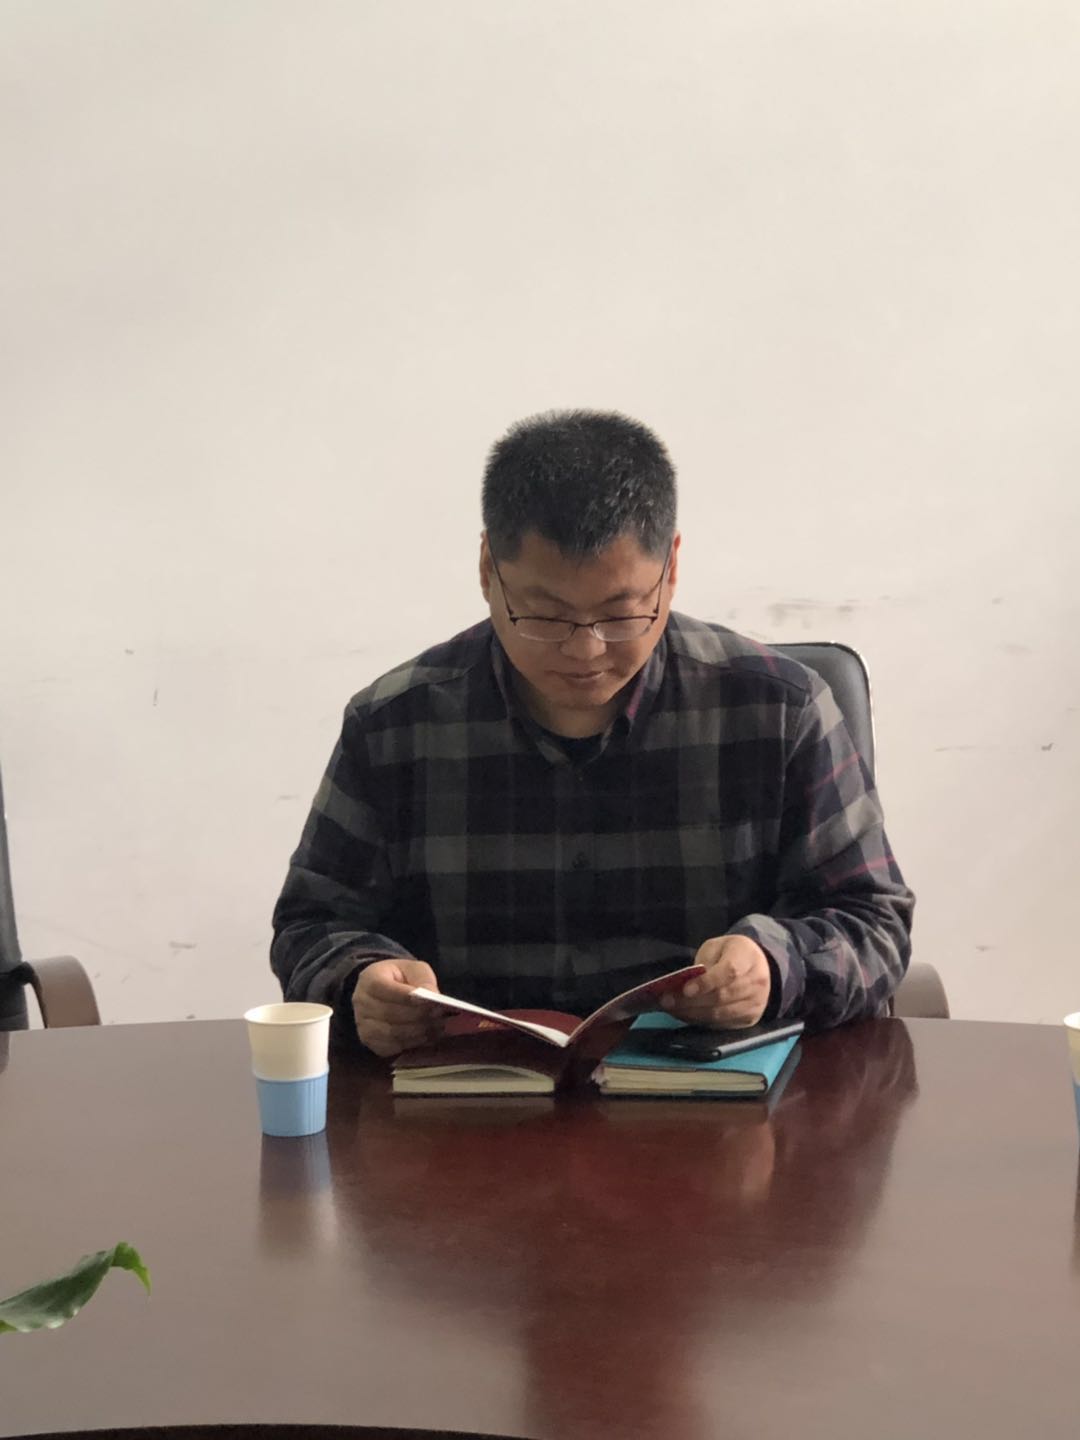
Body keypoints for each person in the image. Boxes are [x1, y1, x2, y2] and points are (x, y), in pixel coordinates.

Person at [271, 410, 914, 1056]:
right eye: (545, 616)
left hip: (708, 1096)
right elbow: (311, 923)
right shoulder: (394, 727)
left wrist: (774, 968)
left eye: (621, 614)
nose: (586, 651)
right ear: (488, 569)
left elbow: (875, 922)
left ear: (672, 568)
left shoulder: (779, 710)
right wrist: (360, 980)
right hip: (473, 1094)